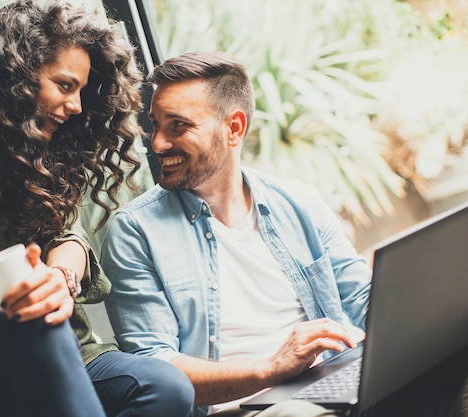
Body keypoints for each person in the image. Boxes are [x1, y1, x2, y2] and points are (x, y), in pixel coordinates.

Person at [99, 51, 468, 417]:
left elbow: (361, 300)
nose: (158, 143)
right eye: (156, 124)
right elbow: (157, 367)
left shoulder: (298, 202)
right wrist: (272, 367)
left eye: (177, 125)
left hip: (332, 388)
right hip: (245, 408)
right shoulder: (135, 232)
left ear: (234, 128)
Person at [0, 2, 194, 417]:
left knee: (169, 388)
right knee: (27, 310)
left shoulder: (46, 148)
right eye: (65, 86)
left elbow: (70, 237)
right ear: (14, 76)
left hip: (71, 348)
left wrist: (59, 276)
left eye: (81, 91)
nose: (77, 106)